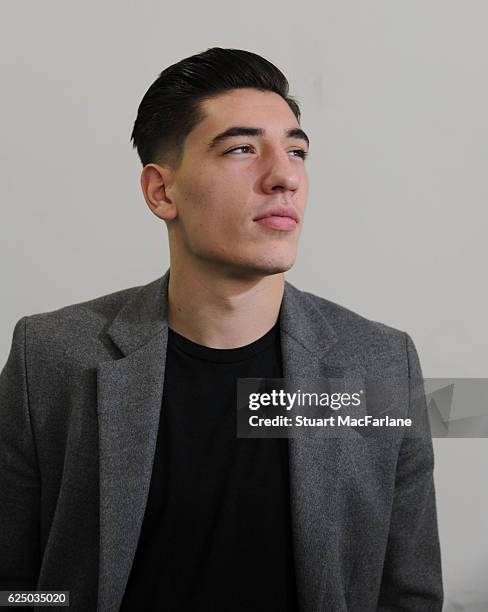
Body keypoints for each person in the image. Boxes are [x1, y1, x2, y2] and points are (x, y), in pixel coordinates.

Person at [0, 47, 443, 611]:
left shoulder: (378, 362)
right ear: (162, 191)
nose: (284, 176)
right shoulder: (51, 358)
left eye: (296, 151)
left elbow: (406, 593)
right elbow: (13, 583)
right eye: (240, 148)